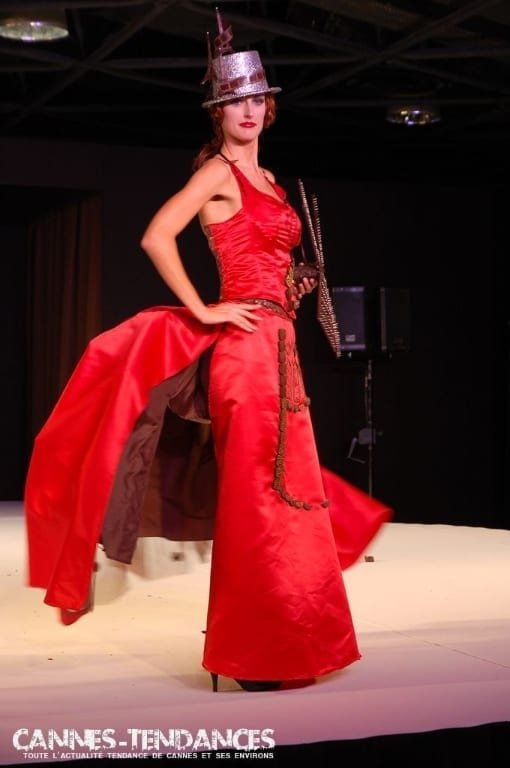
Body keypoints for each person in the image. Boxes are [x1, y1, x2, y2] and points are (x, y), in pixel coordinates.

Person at [24, 14, 392, 693]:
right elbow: (157, 236)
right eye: (233, 102)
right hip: (244, 353)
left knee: (289, 493)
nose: (247, 111)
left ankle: (292, 641)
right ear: (217, 112)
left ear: (268, 108)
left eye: (256, 100)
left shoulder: (272, 179)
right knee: (256, 497)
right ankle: (251, 653)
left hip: (280, 348)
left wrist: (293, 282)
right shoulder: (217, 174)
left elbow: (270, 257)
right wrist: (204, 307)